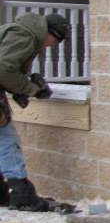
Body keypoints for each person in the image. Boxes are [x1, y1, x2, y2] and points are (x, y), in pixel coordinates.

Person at [0, 13, 68, 210]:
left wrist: (21, 87)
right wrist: (30, 88)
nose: (52, 45)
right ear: (48, 32)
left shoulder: (17, 32)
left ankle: (6, 192)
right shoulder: (25, 36)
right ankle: (21, 193)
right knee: (6, 140)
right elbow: (3, 70)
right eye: (54, 40)